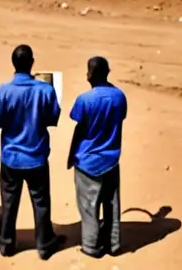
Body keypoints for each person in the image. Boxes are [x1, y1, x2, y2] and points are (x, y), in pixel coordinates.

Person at [0, 45, 65, 260]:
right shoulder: (45, 90)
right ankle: (45, 244)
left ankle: (5, 243)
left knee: (9, 201)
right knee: (40, 202)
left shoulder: (3, 91)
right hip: (36, 157)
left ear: (14, 64)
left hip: (11, 157)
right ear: (32, 62)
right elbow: (53, 118)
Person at [68, 57, 127, 258]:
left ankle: (91, 246)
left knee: (88, 207)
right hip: (111, 159)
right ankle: (113, 242)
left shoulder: (84, 99)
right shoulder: (120, 96)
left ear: (90, 75)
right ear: (108, 72)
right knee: (111, 204)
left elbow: (77, 121)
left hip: (87, 162)